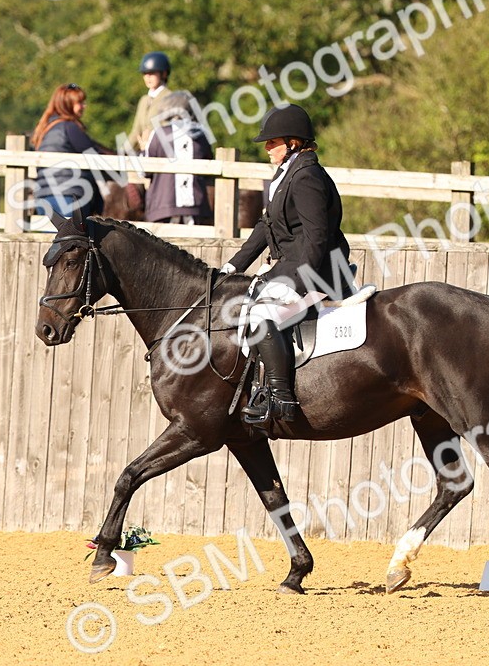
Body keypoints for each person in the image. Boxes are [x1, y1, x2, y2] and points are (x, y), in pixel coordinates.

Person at [219, 104, 351, 424]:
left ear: (292, 142)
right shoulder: (287, 175)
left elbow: (317, 236)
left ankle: (281, 398)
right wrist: (232, 267)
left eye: (272, 142)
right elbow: (266, 227)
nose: (266, 148)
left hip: (317, 270)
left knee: (262, 312)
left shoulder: (307, 176)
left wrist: (302, 284)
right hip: (291, 265)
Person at [30, 83, 112, 225]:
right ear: (67, 104)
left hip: (44, 198)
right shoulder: (69, 127)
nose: (84, 106)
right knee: (73, 244)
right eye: (80, 102)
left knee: (53, 244)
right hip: (68, 196)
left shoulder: (45, 129)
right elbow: (94, 153)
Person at [142, 91, 213, 224]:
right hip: (196, 207)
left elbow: (144, 170)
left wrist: (142, 149)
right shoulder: (201, 135)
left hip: (163, 207)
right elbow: (210, 168)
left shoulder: (158, 134)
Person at [128, 52, 173, 153]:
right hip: (142, 153)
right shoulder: (144, 100)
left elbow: (168, 131)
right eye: (145, 73)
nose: (147, 77)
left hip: (161, 154)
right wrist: (122, 152)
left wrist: (149, 144)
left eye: (152, 73)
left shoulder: (171, 98)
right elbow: (136, 131)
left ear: (164, 74)